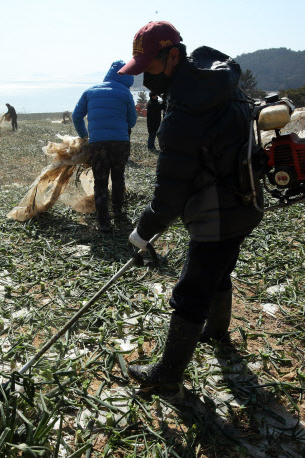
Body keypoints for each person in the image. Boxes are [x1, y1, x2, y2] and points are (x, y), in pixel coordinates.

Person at [118, 21, 264, 387]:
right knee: (219, 270)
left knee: (190, 291)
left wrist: (142, 232)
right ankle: (216, 332)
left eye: (149, 67)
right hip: (248, 200)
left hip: (217, 212)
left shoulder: (183, 116)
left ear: (173, 57)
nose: (145, 78)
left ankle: (167, 375)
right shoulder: (220, 83)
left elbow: (169, 197)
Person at [72, 60, 138, 232]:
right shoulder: (125, 93)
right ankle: (117, 211)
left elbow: (76, 115)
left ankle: (103, 220)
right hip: (120, 143)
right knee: (118, 177)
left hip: (97, 143)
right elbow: (132, 120)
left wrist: (84, 135)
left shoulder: (91, 91)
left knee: (100, 181)